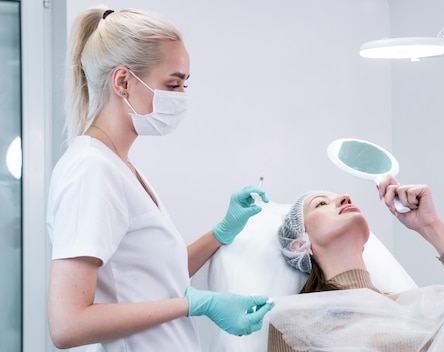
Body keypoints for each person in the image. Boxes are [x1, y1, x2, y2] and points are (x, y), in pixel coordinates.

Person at [46, 6, 274, 351]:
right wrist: (197, 304)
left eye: (184, 83)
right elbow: (67, 324)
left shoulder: (118, 166)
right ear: (122, 82)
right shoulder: (91, 171)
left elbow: (151, 279)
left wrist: (221, 232)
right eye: (172, 83)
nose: (181, 97)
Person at [268, 175, 444, 351]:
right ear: (299, 244)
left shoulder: (420, 308)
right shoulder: (293, 320)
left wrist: (430, 225)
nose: (344, 198)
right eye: (320, 204)